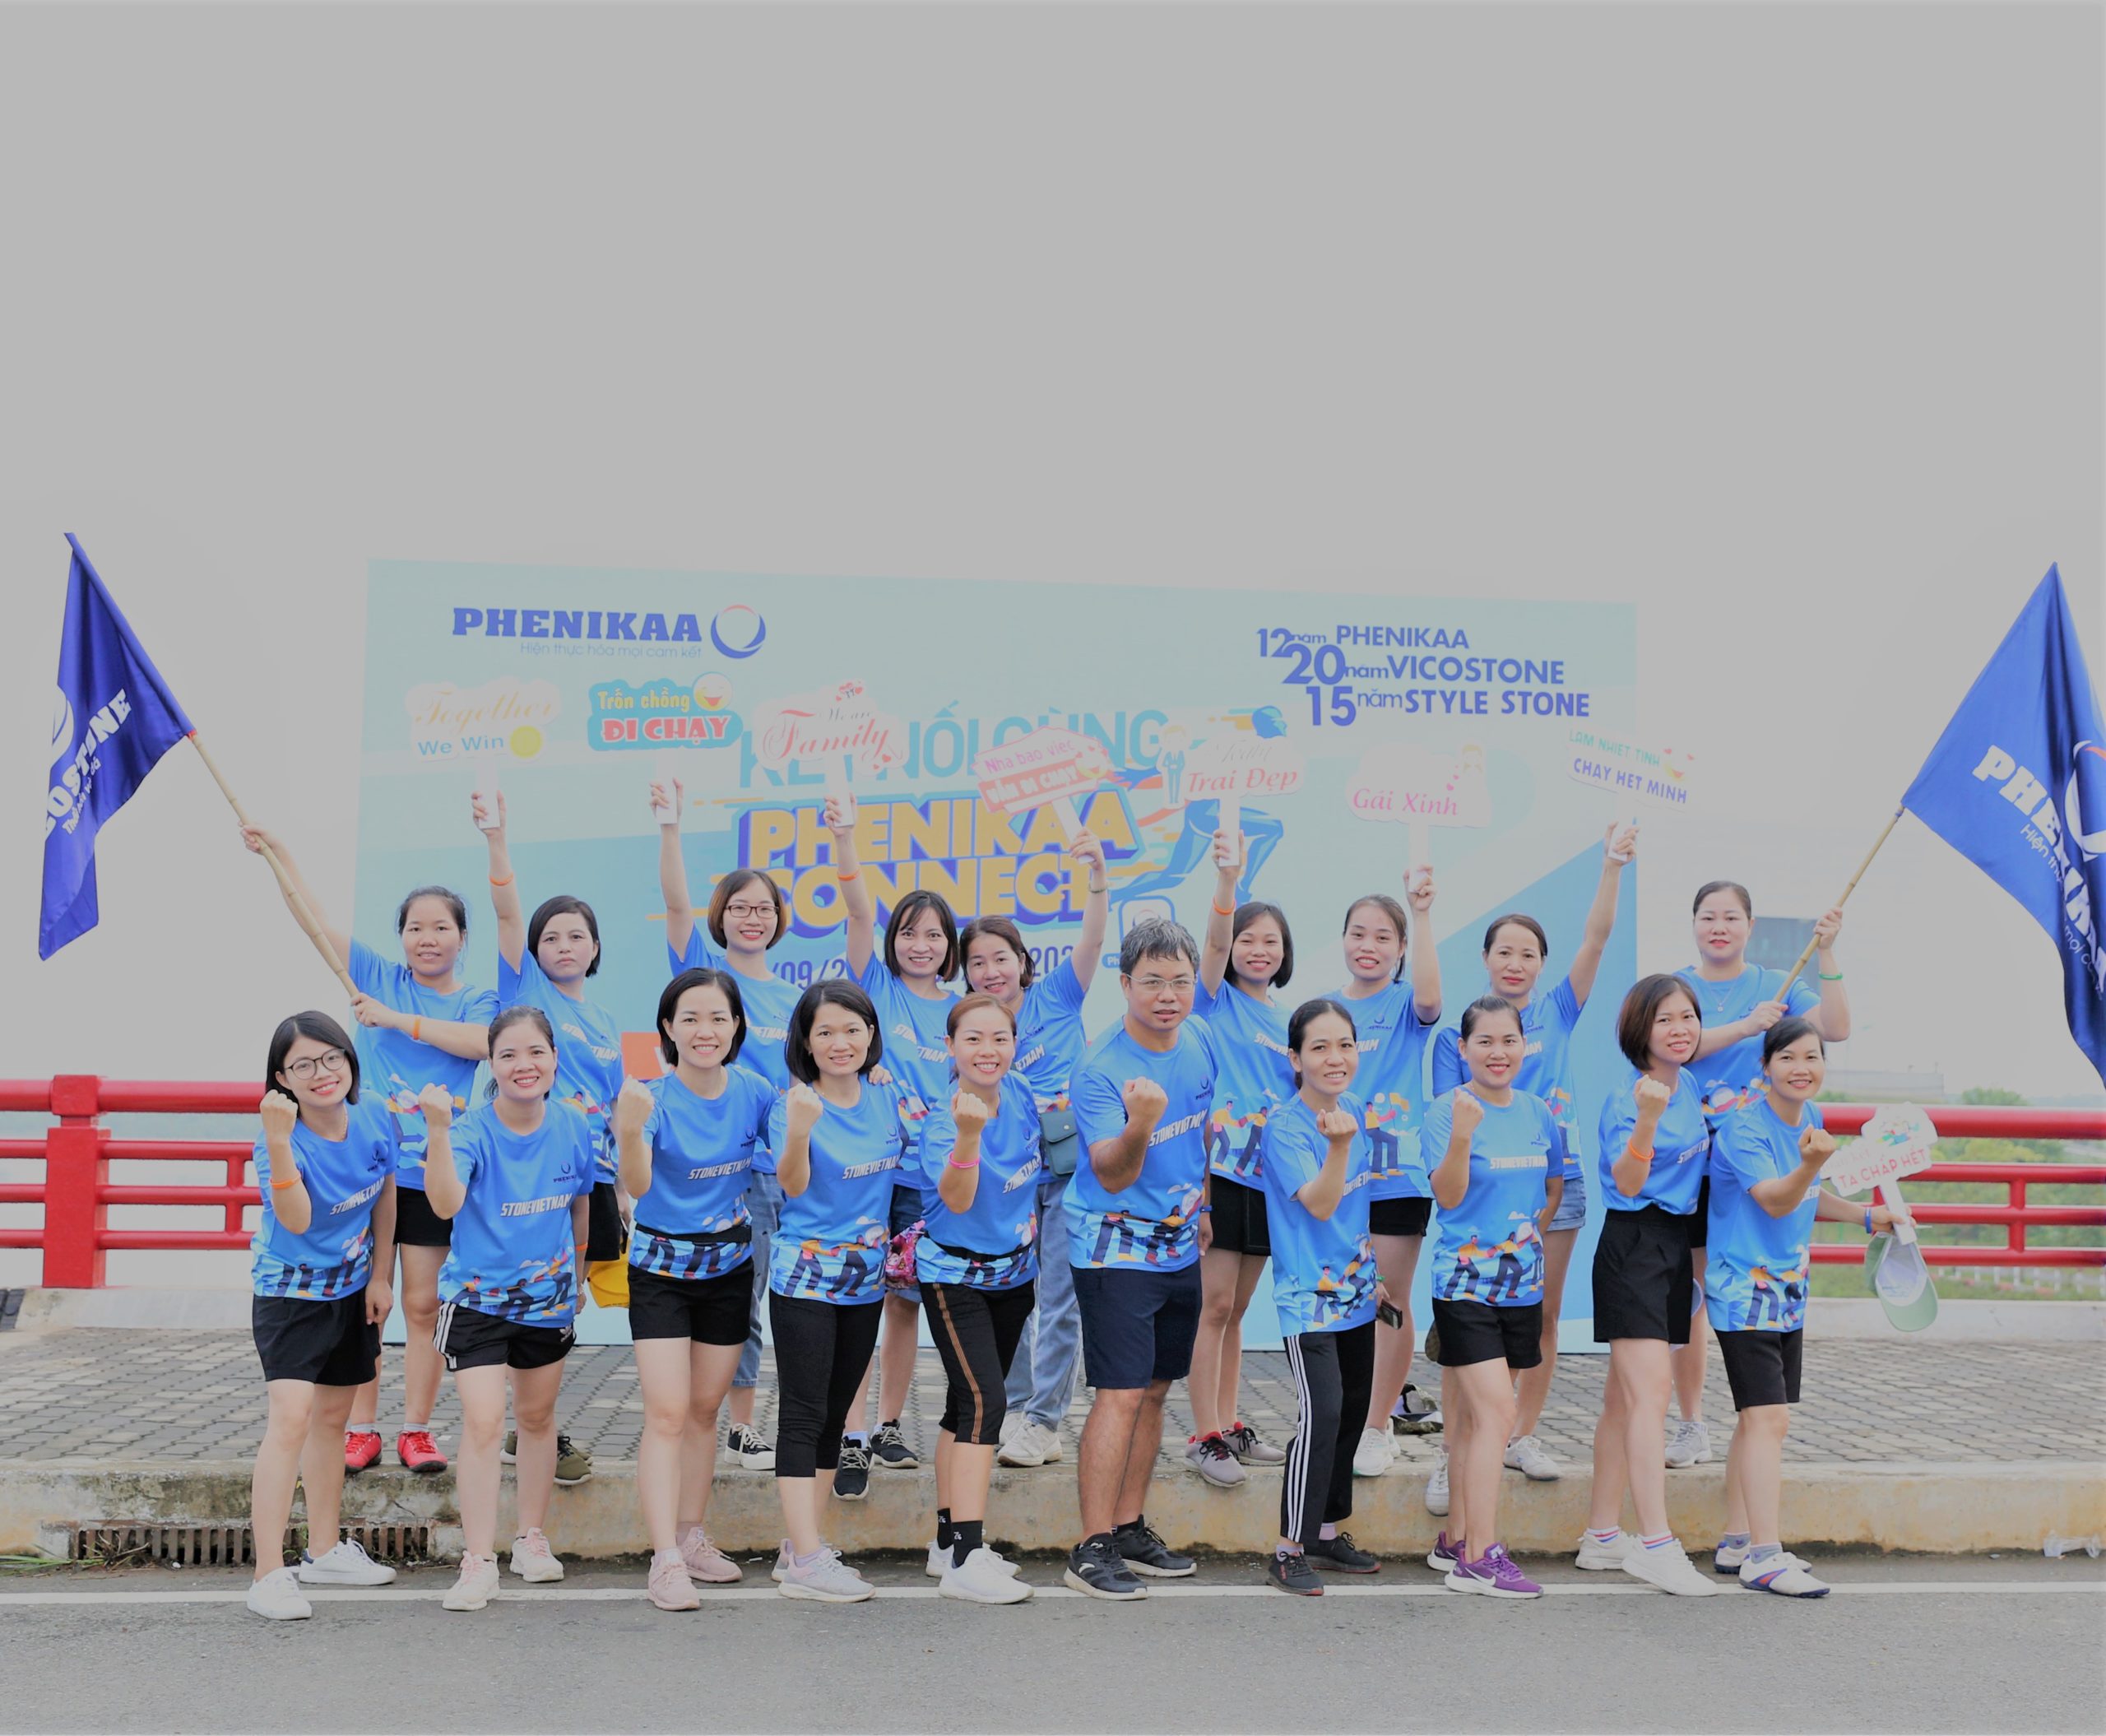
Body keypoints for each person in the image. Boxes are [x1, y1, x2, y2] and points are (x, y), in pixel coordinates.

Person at [239, 824, 494, 1478]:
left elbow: (483, 1044)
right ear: (401, 936)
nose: (428, 938)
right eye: (415, 928)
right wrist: (278, 853)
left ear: (463, 937)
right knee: (365, 1301)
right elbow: (310, 917)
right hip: (369, 1168)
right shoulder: (378, 974)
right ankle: (360, 1428)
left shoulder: (477, 999)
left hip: (433, 1172)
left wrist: (397, 1019)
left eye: (441, 927)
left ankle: (417, 1430)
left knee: (422, 1304)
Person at [1426, 822, 1636, 1506]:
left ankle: (1518, 1434)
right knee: (1468, 1321)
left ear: (1543, 964)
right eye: (1504, 951)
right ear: (1486, 958)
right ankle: (1453, 1451)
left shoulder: (1557, 1012)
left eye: (1528, 954)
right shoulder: (1462, 1035)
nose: (1515, 963)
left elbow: (1596, 938)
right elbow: (1449, 1123)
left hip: (1556, 1183)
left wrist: (1611, 864)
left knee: (1539, 1313)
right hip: (1486, 1188)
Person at [1706, 1019, 1909, 1596]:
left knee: (1755, 1419)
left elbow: (1807, 1196)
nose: (1802, 1068)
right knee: (1770, 1419)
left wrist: (1866, 1216)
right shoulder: (1743, 1129)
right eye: (1788, 1057)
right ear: (1765, 1066)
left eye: (1812, 1057)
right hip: (1744, 1291)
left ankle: (1738, 1539)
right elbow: (1775, 1200)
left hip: (1788, 1290)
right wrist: (1812, 1165)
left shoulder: (1810, 1118)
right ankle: (1766, 1557)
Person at [420, 1006, 597, 1613]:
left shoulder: (573, 1123)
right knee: (484, 1422)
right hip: (477, 1301)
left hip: (548, 1300)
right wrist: (438, 1131)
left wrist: (578, 1275)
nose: (525, 1065)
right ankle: (477, 1560)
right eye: (509, 1055)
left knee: (538, 1418)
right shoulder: (470, 1130)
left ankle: (530, 1539)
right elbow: (445, 1204)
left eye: (536, 1052)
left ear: (554, 1059)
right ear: (491, 1065)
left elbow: (581, 1204)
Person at [1670, 884, 1852, 1470]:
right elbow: (1674, 1048)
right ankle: (1692, 1422)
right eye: (1708, 917)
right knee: (1694, 1296)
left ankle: (1753, 1417)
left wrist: (1827, 951)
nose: (1719, 927)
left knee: (1737, 1288)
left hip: (1757, 1162)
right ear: (1694, 924)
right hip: (1689, 1162)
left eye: (1731, 917)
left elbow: (1834, 1029)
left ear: (1750, 926)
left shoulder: (1777, 982)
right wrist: (1747, 1027)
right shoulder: (1679, 988)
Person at [612, 969, 777, 1611]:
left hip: (729, 1269)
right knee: (667, 1412)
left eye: (718, 1018)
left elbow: (803, 1142)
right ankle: (664, 1559)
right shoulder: (649, 1099)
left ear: (737, 1026)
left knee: (706, 1411)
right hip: (661, 1272)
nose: (705, 1031)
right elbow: (638, 1186)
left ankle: (691, 1535)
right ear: (668, 1028)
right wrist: (629, 1131)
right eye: (690, 1019)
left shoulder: (755, 1091)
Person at [1062, 918, 1216, 1601]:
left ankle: (1127, 1529)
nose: (1167, 995)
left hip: (1178, 1243)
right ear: (1125, 985)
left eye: (1180, 981)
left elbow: (1203, 1132)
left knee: (1155, 1389)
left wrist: (1204, 1206)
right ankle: (1090, 1546)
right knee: (1120, 1393)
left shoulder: (1200, 1038)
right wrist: (1142, 1124)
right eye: (1152, 982)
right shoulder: (1100, 1068)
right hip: (1114, 1246)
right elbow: (1112, 1173)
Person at [656, 772, 802, 1472]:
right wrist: (671, 826)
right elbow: (673, 903)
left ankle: (746, 1424)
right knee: (719, 1299)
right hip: (710, 1170)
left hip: (778, 1172)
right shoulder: (705, 976)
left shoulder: (797, 998)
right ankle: (715, 1422)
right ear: (721, 917)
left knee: (759, 1294)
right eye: (739, 908)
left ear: (778, 918)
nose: (752, 918)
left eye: (763, 908)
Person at [478, 790, 624, 1487]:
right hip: (528, 1172)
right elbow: (507, 911)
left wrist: (624, 1190)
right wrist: (496, 837)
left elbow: (615, 1109)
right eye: (551, 937)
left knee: (564, 1300)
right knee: (526, 1292)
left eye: (576, 936)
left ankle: (533, 1423)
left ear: (595, 948)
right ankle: (535, 1427)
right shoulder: (525, 995)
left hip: (592, 1178)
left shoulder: (607, 1022)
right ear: (533, 952)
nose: (564, 946)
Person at [954, 829, 1110, 1472]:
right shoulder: (970, 1025)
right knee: (1012, 1293)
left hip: (1070, 1174)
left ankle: (1046, 1420)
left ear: (1023, 960)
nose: (992, 971)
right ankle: (1017, 1406)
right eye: (978, 963)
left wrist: (1097, 879)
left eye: (1001, 957)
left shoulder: (1059, 996)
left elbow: (1094, 939)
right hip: (1007, 1180)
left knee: (1062, 1298)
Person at [244, 1013, 402, 1620]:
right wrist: (280, 1141)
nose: (322, 1072)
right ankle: (267, 1574)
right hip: (291, 1294)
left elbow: (386, 1191)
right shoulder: (276, 1142)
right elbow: (298, 1220)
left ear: (349, 1059)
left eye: (331, 1057)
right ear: (282, 1079)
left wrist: (381, 1275)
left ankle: (325, 1549)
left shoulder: (374, 1114)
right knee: (291, 1419)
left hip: (352, 1289)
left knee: (333, 1421)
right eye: (303, 1065)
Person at [829, 794, 958, 1486]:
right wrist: (845, 837)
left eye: (934, 934)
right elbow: (857, 910)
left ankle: (886, 1425)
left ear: (950, 945)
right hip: (868, 1172)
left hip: (927, 1184)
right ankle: (849, 1433)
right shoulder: (875, 985)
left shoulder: (963, 1009)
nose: (921, 945)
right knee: (857, 1298)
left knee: (904, 1304)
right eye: (910, 932)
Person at [1578, 974, 1721, 1595]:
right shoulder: (1628, 1096)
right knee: (1650, 1396)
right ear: (1640, 1029)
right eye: (1665, 1019)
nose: (1680, 1029)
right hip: (1633, 1243)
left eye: (1688, 1016)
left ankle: (1602, 1535)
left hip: (1672, 1246)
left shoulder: (1690, 1084)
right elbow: (1628, 1183)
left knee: (1623, 1400)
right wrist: (1647, 1119)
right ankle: (1656, 1545)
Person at [767, 980, 904, 1602]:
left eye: (852, 1029)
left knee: (833, 1414)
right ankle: (806, 1559)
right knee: (802, 1414)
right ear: (806, 1041)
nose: (839, 1042)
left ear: (871, 1034)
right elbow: (792, 1185)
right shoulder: (793, 1105)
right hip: (805, 1279)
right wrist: (800, 1130)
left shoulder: (888, 1096)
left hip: (866, 1284)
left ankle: (802, 1546)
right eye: (825, 1031)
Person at [1419, 998, 1561, 1598]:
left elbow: (1553, 1186)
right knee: (1499, 1414)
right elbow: (1448, 1197)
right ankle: (1480, 1558)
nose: (1498, 1053)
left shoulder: (1537, 1112)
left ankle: (1455, 1539)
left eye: (1509, 1041)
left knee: (1476, 1420)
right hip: (1464, 1288)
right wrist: (1461, 1136)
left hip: (1522, 1289)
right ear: (1463, 1049)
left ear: (1525, 1046)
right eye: (1485, 1042)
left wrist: (1522, 1240)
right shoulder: (1445, 1111)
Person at [914, 994, 1046, 1604]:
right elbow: (958, 1199)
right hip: (955, 1278)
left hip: (1013, 1276)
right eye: (973, 1039)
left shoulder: (1020, 1092)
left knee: (961, 1407)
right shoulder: (944, 1121)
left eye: (1000, 1038)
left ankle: (947, 1544)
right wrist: (969, 1136)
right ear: (950, 1047)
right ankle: (968, 1559)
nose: (988, 1051)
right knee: (986, 1403)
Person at [1257, 999, 1386, 1595]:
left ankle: (1326, 1533)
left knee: (1353, 1410)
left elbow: (1356, 1210)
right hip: (1307, 1300)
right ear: (1295, 1058)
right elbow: (1321, 1204)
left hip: (1357, 1291)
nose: (1336, 1058)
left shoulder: (1352, 1109)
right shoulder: (1285, 1127)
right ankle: (1288, 1549)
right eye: (1320, 1047)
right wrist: (1338, 1147)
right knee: (1323, 1412)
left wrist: (1373, 1275)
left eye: (1345, 1045)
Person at [1186, 828, 1296, 1487]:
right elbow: (1213, 945)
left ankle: (1228, 1424)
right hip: (1220, 1173)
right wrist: (1228, 881)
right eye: (1248, 939)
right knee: (1214, 1305)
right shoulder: (1213, 1000)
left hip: (1267, 1180)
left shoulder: (1291, 1021)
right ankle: (1203, 1434)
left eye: (1271, 941)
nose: (1258, 950)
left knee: (1238, 1312)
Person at [1332, 873, 1442, 1479]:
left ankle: (1378, 1427)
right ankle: (1344, 1419)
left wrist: (1421, 914)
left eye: (1382, 937)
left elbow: (1429, 998)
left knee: (1389, 1302)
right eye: (1358, 934)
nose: (1368, 945)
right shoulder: (1325, 1010)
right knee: (1342, 1297)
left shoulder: (1405, 1005)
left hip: (1397, 1177)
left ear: (1400, 949)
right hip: (1335, 1178)